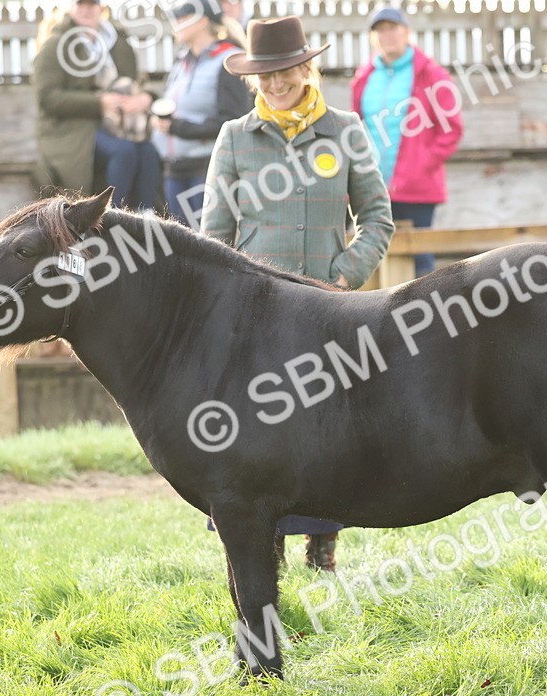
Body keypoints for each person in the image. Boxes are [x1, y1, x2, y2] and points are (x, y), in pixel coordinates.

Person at [203, 15, 394, 570]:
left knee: (326, 423)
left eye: (285, 71)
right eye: (265, 75)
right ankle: (263, 540)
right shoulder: (235, 138)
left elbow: (378, 218)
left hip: (326, 306)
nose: (276, 83)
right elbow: (214, 234)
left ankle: (324, 540)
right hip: (255, 313)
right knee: (260, 426)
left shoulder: (345, 129)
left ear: (305, 69)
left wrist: (343, 274)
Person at [352, 5, 463, 277]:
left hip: (417, 189)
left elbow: (452, 130)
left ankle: (425, 316)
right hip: (374, 187)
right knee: (373, 257)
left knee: (419, 262)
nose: (387, 35)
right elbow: (356, 127)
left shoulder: (431, 74)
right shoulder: (364, 76)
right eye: (380, 30)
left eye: (393, 28)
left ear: (407, 33)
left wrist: (421, 164)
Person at [33, 0, 163, 211]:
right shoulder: (54, 45)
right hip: (72, 131)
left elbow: (134, 83)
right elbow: (48, 98)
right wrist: (99, 103)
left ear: (101, 8)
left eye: (92, 4)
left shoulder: (117, 42)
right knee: (124, 151)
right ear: (69, 8)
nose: (86, 9)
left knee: (147, 151)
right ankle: (111, 217)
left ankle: (146, 217)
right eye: (80, 4)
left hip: (117, 124)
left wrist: (144, 98)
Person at [152, 2, 252, 227]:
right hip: (175, 170)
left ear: (203, 20)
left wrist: (177, 128)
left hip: (207, 172)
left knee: (205, 247)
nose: (176, 24)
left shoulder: (229, 60)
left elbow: (233, 122)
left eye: (182, 18)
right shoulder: (182, 60)